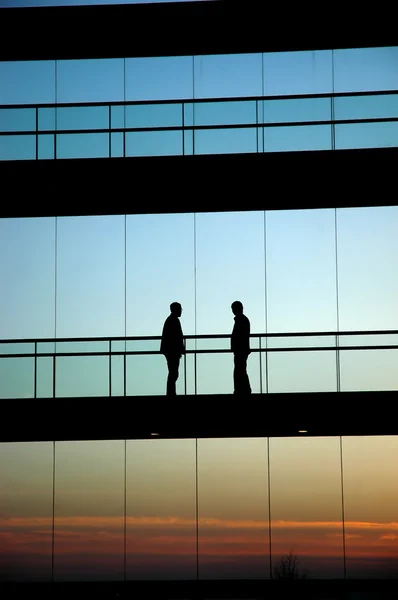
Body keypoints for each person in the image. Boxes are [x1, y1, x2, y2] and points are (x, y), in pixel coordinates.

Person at [160, 302, 185, 395]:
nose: (181, 311)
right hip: (172, 351)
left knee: (173, 372)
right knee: (173, 373)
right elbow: (176, 337)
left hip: (170, 351)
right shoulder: (173, 320)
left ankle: (171, 392)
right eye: (180, 309)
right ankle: (171, 393)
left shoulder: (170, 320)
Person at [230, 300, 252, 395]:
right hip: (242, 350)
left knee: (239, 370)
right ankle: (244, 389)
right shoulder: (243, 320)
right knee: (241, 370)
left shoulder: (240, 320)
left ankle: (241, 390)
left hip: (240, 350)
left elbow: (238, 336)